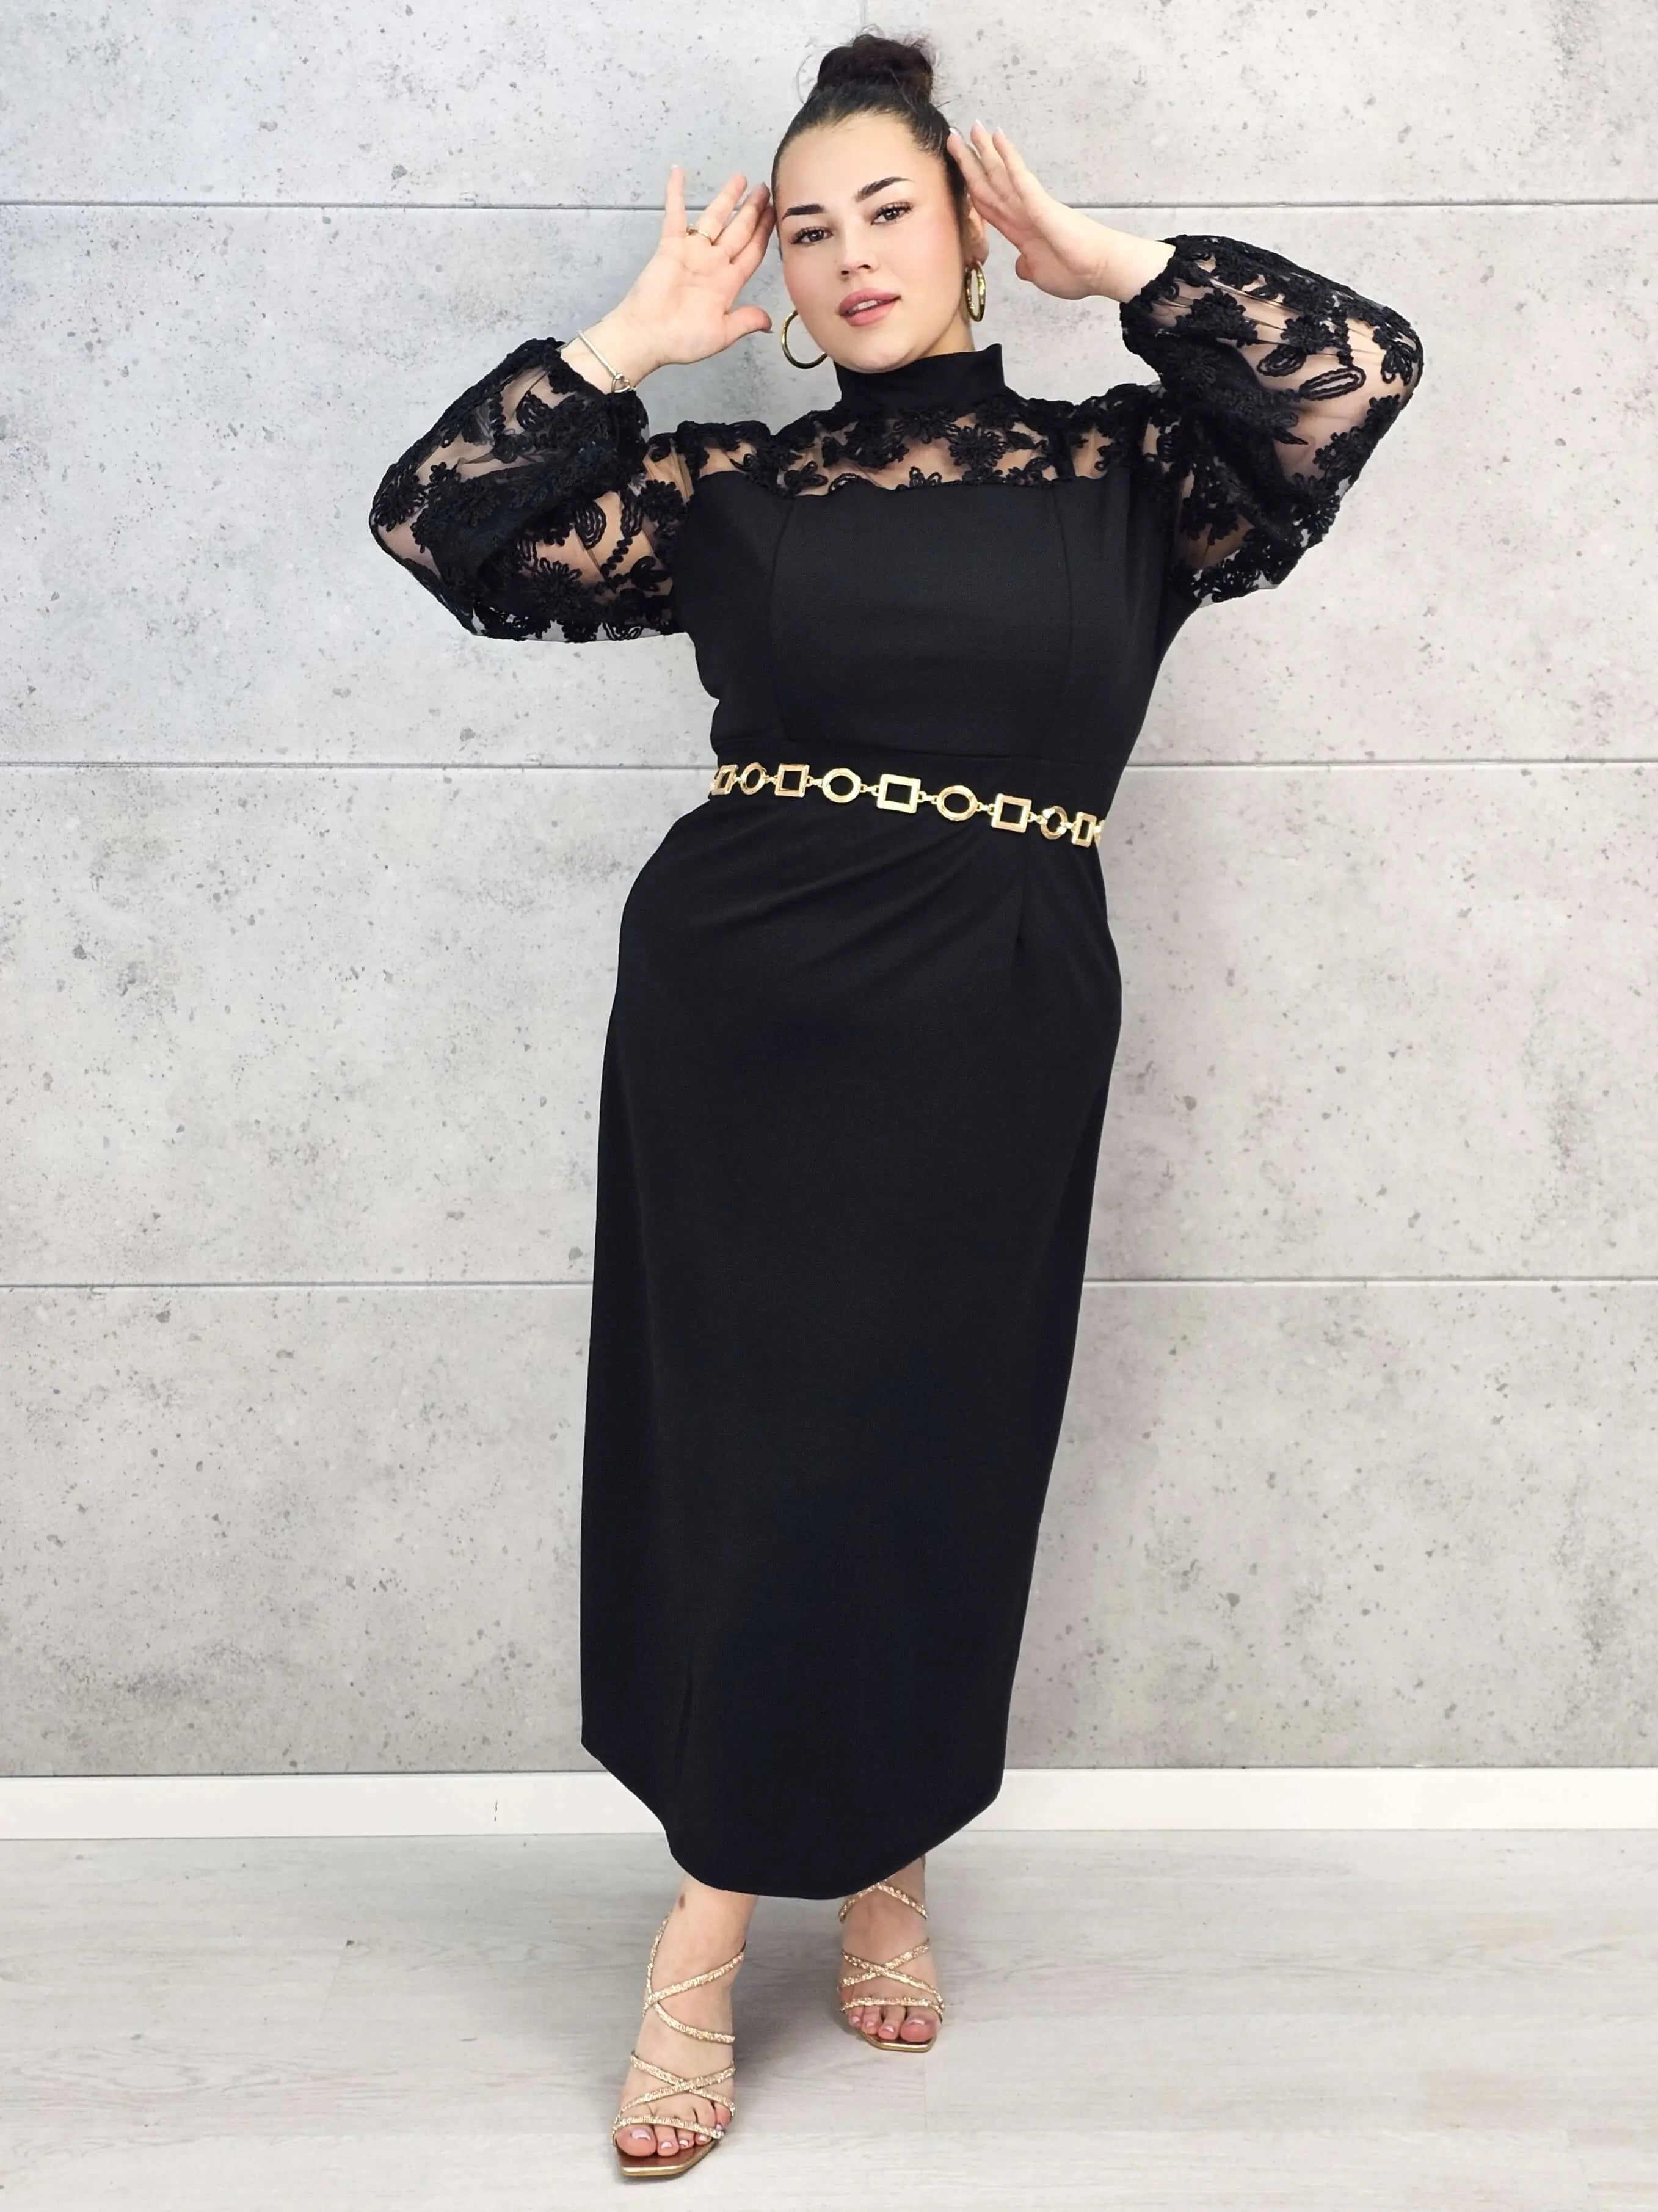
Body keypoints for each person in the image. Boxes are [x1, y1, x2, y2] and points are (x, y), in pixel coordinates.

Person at [369, 29, 1424, 2181]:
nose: (851, 257)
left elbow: (1354, 376)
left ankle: (886, 1847)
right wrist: (631, 343)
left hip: (997, 1014)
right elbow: (436, 527)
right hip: (738, 1018)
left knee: (935, 1447)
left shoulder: (1136, 477)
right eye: (809, 226)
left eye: (892, 212)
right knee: (750, 1462)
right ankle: (701, 1929)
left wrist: (1112, 265)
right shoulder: (729, 495)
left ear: (967, 235)